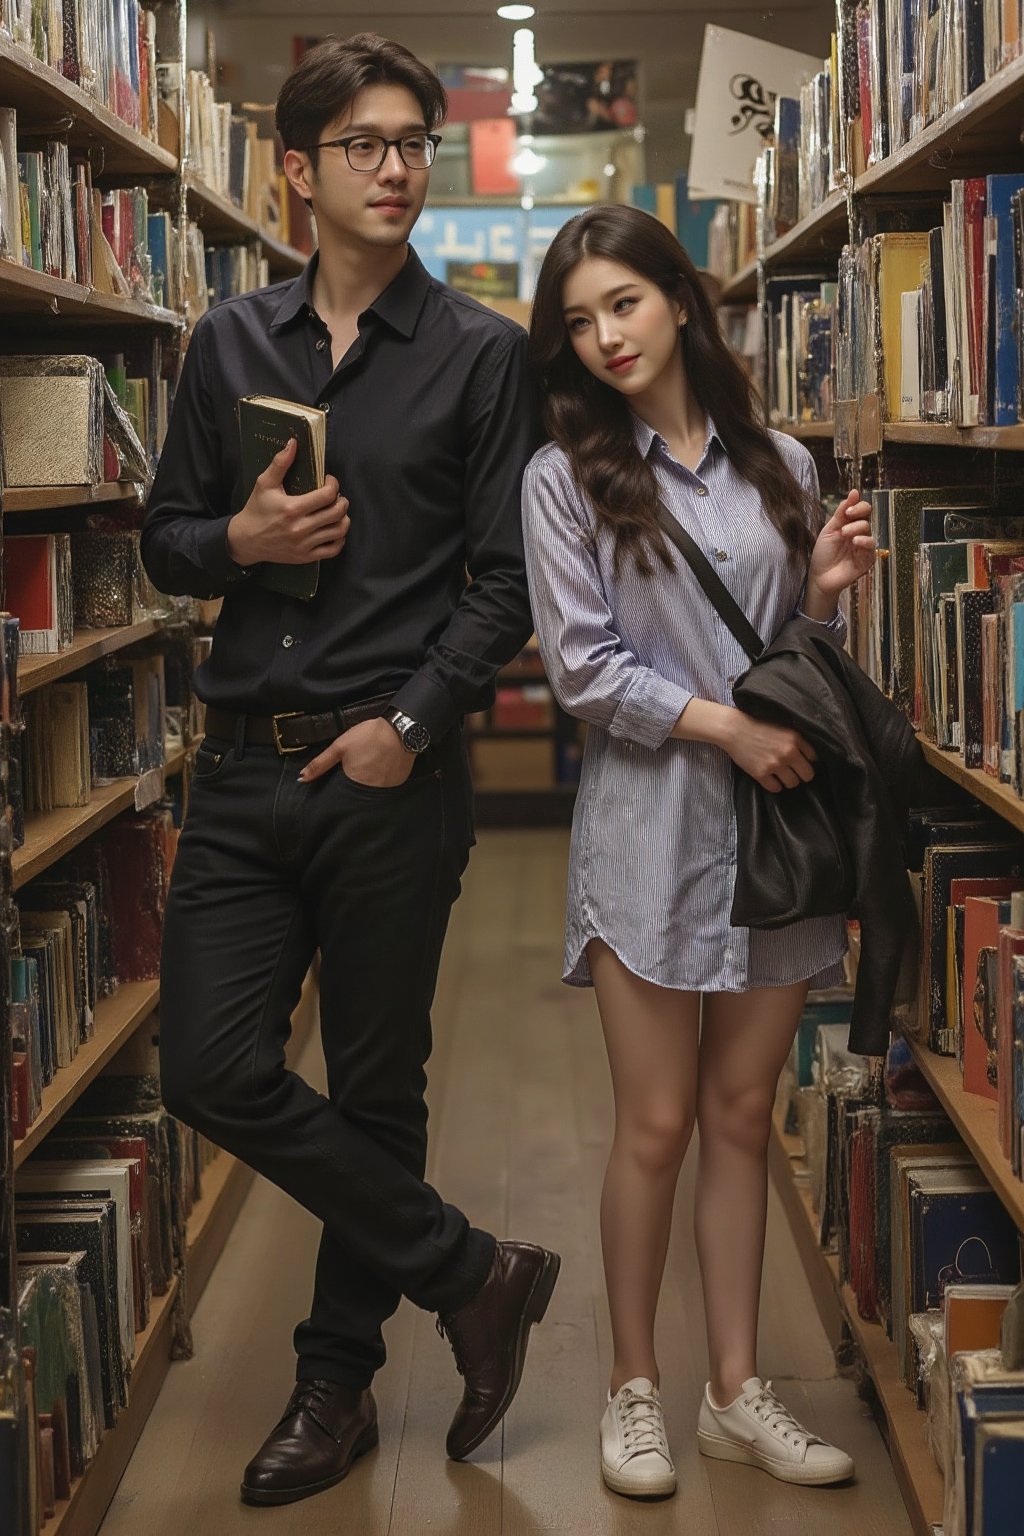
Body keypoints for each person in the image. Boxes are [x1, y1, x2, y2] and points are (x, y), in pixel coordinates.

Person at [141, 31, 559, 1509]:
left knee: (378, 1087)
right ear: (298, 171)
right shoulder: (226, 342)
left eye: (414, 144)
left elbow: (507, 582)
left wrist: (417, 722)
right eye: (367, 144)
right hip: (244, 770)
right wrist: (236, 547)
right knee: (211, 1065)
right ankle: (474, 1271)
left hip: (392, 775)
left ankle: (334, 1381)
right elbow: (165, 535)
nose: (396, 168)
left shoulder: (483, 357)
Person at [521, 204, 875, 1500]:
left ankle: (733, 1390)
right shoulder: (564, 475)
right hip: (648, 832)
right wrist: (721, 722)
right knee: (658, 1123)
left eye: (622, 302)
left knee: (741, 1117)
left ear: (678, 297)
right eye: (577, 320)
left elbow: (793, 662)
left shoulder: (776, 458)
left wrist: (824, 598)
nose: (604, 335)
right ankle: (633, 1391)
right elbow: (581, 668)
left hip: (773, 834)